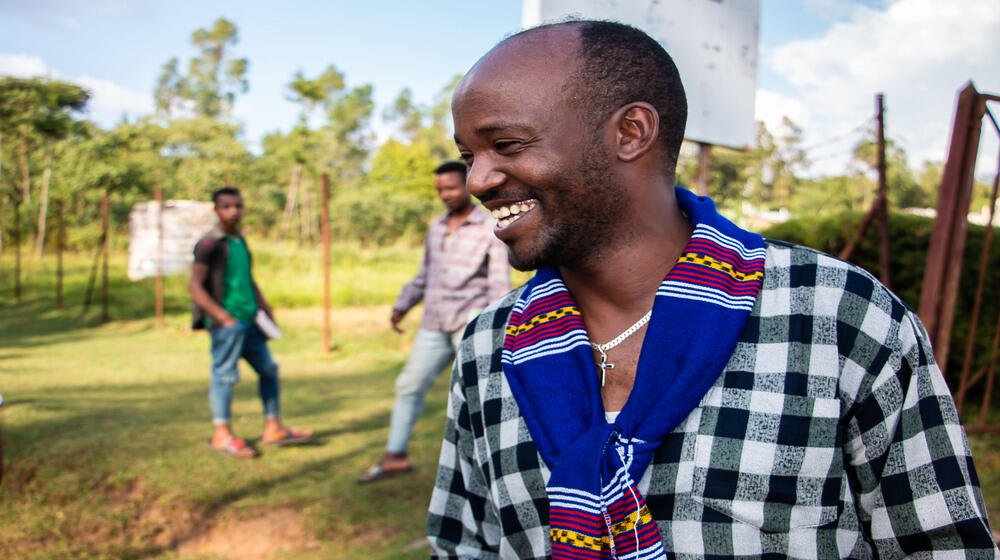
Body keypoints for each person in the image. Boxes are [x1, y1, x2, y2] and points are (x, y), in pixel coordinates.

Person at [426, 20, 996, 558]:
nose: (477, 180)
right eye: (469, 155)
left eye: (507, 144)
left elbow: (943, 544)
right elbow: (463, 544)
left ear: (631, 133)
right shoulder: (488, 347)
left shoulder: (836, 316)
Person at [357, 161, 511, 483]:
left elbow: (498, 284)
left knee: (481, 395)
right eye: (440, 189)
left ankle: (493, 469)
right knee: (408, 386)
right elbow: (425, 274)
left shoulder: (490, 228)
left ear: (468, 185)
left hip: (469, 325)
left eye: (451, 187)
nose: (445, 194)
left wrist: (494, 328)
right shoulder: (436, 227)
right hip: (433, 323)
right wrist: (404, 304)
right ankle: (395, 455)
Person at [190, 186, 311, 459]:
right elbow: (195, 286)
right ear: (216, 210)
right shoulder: (209, 243)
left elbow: (248, 279)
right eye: (226, 206)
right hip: (228, 324)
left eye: (238, 205)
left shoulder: (239, 241)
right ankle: (222, 434)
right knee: (225, 376)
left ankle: (274, 427)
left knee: (269, 369)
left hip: (250, 321)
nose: (233, 211)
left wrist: (266, 310)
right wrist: (223, 317)